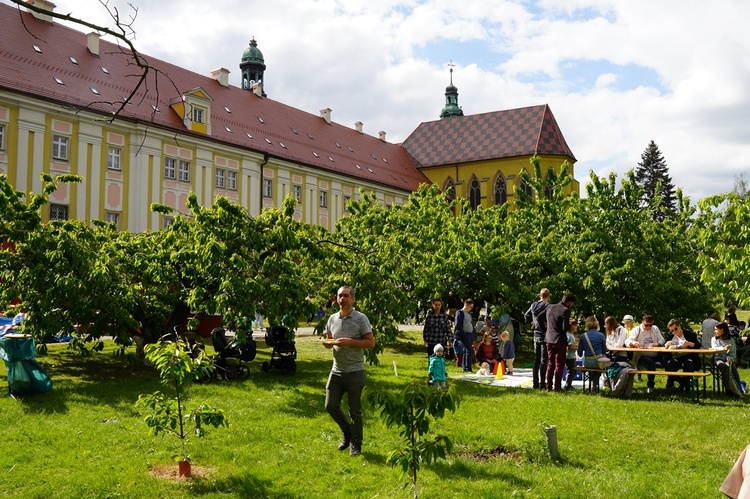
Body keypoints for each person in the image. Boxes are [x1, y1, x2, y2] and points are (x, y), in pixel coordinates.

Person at [323, 286, 376, 457]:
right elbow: (330, 339)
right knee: (330, 405)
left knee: (355, 411)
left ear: (352, 299)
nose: (342, 299)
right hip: (337, 370)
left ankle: (356, 445)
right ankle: (347, 431)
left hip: (355, 371)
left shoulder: (361, 318)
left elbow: (370, 343)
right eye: (340, 296)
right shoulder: (332, 318)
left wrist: (350, 342)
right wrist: (327, 343)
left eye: (346, 296)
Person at [545, 293, 576, 392]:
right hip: (560, 341)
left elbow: (541, 318)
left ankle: (548, 386)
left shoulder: (549, 307)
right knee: (559, 365)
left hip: (549, 339)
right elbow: (565, 327)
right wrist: (570, 325)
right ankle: (557, 388)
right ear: (570, 302)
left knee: (550, 364)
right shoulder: (565, 310)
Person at [626, 314, 665, 394]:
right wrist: (634, 343)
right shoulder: (637, 330)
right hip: (641, 356)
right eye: (646, 325)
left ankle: (671, 384)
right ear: (642, 323)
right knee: (651, 364)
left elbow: (662, 340)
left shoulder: (655, 329)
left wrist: (657, 344)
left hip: (655, 355)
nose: (648, 327)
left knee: (665, 364)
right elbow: (627, 341)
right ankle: (650, 386)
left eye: (650, 325)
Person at [664, 319, 700, 392]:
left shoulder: (689, 335)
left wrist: (689, 344)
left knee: (689, 365)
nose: (674, 332)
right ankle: (683, 382)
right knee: (669, 365)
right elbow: (664, 348)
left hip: (687, 356)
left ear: (680, 326)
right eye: (672, 330)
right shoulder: (671, 337)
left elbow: (697, 346)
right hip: (675, 357)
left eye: (676, 329)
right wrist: (666, 345)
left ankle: (686, 386)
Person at [525, 288, 551, 390]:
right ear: (548, 296)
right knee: (544, 360)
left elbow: (526, 316)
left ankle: (535, 383)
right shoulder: (547, 306)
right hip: (544, 334)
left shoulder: (533, 305)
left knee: (536, 360)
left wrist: (532, 322)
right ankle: (542, 384)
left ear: (539, 295)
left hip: (535, 334)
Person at [712, 322, 743, 398]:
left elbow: (733, 354)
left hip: (728, 359)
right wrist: (724, 349)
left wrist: (730, 359)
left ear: (722, 330)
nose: (714, 331)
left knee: (731, 367)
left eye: (716, 329)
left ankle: (737, 388)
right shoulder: (714, 339)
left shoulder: (731, 340)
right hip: (717, 359)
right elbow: (715, 349)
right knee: (725, 366)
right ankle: (728, 390)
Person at [577, 316, 607, 391]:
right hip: (598, 361)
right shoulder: (601, 335)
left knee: (592, 367)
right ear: (597, 324)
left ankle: (592, 384)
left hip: (587, 362)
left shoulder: (583, 336)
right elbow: (604, 350)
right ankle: (595, 385)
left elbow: (579, 353)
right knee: (599, 365)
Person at [455, 299, 475, 373]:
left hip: (470, 333)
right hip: (465, 333)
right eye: (470, 306)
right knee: (469, 350)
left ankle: (465, 367)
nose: (471, 308)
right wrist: (462, 333)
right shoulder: (460, 312)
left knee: (466, 350)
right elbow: (458, 324)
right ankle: (468, 368)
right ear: (466, 304)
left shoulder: (469, 313)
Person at [564, 318, 579, 391]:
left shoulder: (571, 335)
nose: (576, 327)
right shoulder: (569, 336)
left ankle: (569, 384)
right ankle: (568, 385)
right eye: (575, 325)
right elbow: (569, 347)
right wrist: (577, 348)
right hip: (569, 356)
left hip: (571, 356)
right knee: (571, 371)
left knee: (573, 371)